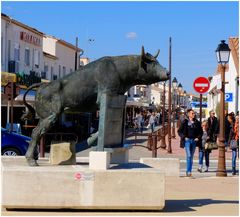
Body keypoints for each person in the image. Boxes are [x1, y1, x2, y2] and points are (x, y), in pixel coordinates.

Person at [178, 109, 203, 177]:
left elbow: (201, 132)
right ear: (189, 114)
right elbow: (179, 131)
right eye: (192, 113)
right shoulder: (185, 122)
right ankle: (189, 172)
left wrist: (198, 137)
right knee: (189, 155)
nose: (194, 114)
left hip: (194, 141)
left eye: (194, 113)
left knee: (191, 157)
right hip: (187, 141)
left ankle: (189, 171)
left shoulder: (197, 122)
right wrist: (184, 137)